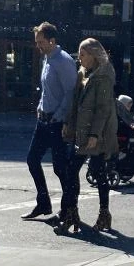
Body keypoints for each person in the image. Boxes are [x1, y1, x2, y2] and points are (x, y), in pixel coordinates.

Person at [57, 38, 118, 234]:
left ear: (93, 55)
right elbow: (75, 103)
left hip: (97, 132)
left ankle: (102, 213)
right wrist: (68, 123)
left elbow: (103, 109)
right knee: (75, 170)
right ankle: (73, 213)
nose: (79, 58)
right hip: (82, 130)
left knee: (95, 172)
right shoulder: (82, 73)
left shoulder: (104, 76)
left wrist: (94, 134)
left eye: (82, 55)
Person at [22, 22, 78, 221]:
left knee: (60, 167)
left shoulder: (63, 61)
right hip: (44, 120)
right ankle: (43, 203)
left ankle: (69, 208)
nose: (38, 45)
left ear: (52, 41)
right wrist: (40, 106)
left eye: (41, 42)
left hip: (57, 122)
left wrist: (59, 115)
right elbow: (47, 90)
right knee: (32, 160)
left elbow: (70, 93)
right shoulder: (47, 58)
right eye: (37, 42)